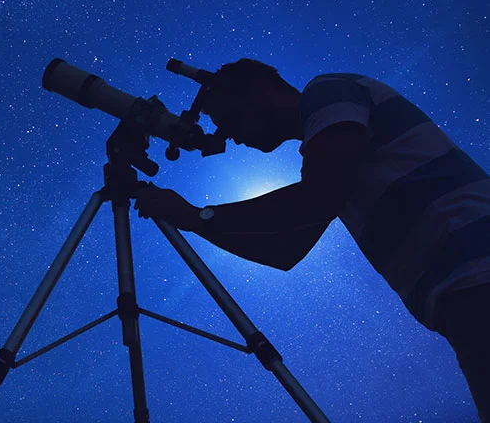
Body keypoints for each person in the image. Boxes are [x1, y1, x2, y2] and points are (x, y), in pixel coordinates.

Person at [132, 58, 490, 422]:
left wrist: (199, 215)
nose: (232, 138)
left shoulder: (328, 92)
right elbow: (285, 250)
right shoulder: (331, 155)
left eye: (228, 120)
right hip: (459, 290)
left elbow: (314, 197)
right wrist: (193, 221)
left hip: (475, 265)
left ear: (257, 92)